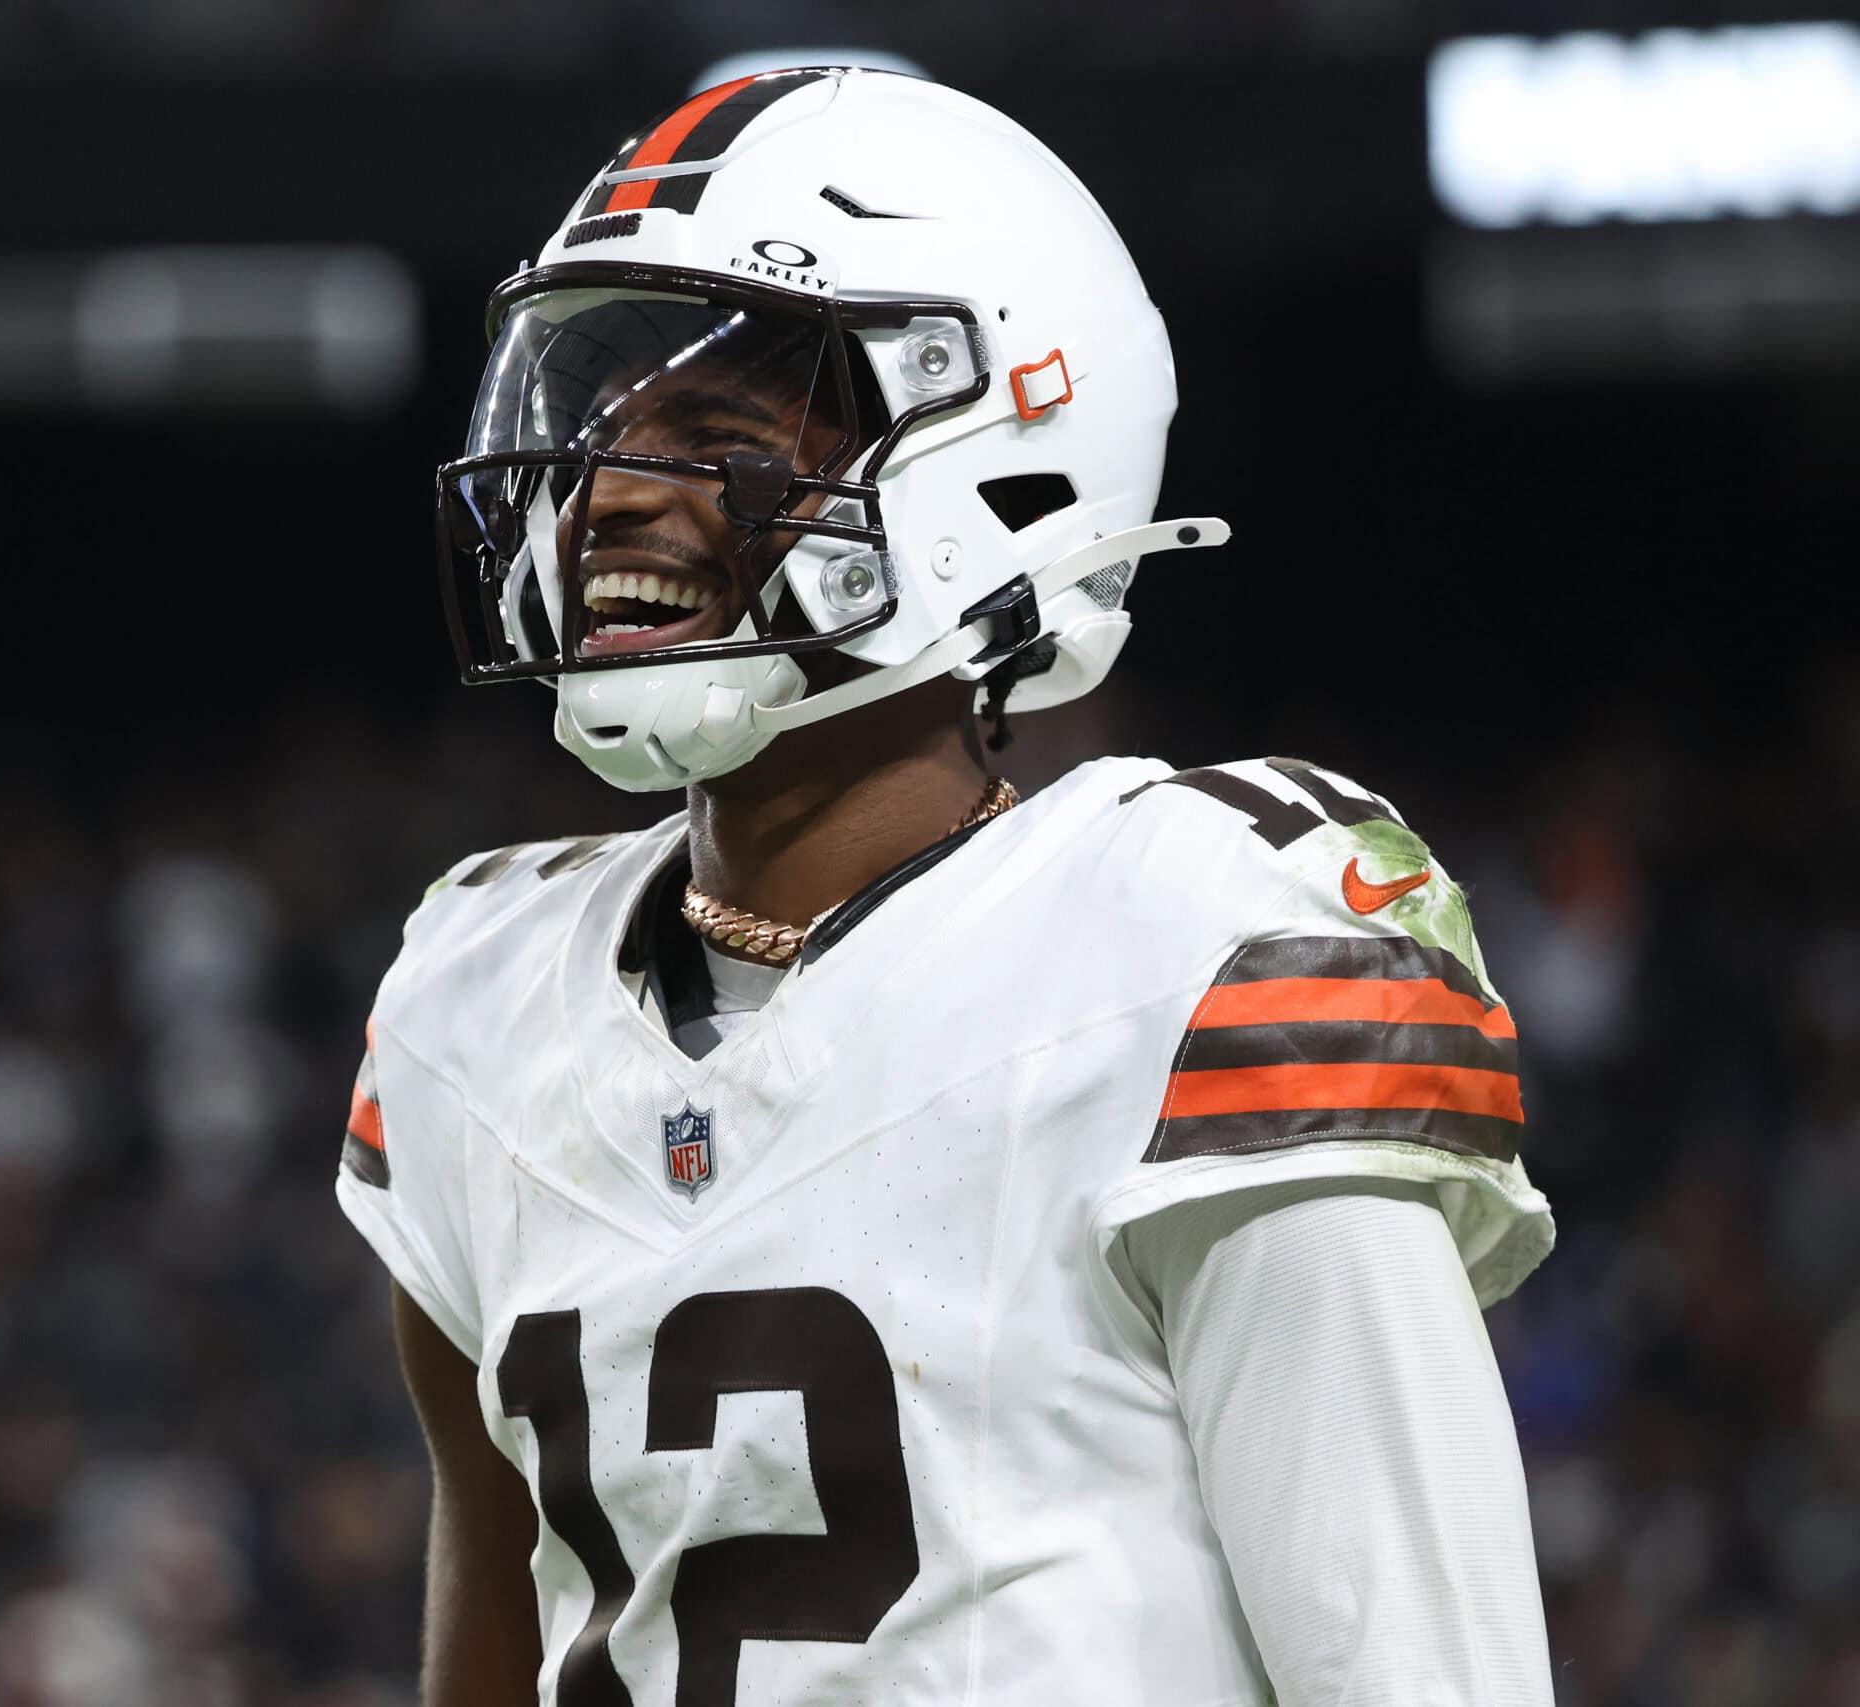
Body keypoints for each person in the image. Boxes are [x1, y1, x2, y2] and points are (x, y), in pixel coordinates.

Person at [338, 66, 1554, 1705]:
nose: (612, 488)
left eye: (713, 431)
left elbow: (1419, 1670)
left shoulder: (1191, 943)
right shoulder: (472, 1001)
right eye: (603, 424)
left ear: (1003, 458)